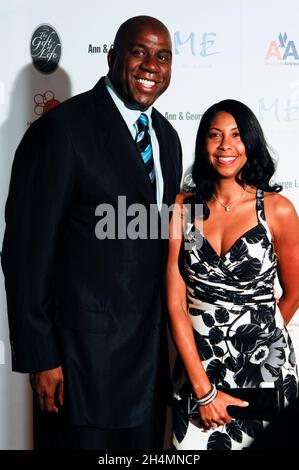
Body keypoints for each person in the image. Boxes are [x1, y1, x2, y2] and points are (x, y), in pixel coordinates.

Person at [1, 15, 182, 450]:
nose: (150, 66)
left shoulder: (167, 137)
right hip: (80, 368)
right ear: (113, 57)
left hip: (149, 368)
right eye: (139, 52)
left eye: (163, 57)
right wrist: (41, 357)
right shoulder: (63, 130)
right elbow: (26, 250)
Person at [166, 99, 299, 450]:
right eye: (214, 136)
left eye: (236, 135)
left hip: (265, 372)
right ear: (203, 144)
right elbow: (176, 303)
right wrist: (203, 389)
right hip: (198, 374)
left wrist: (259, 339)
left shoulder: (278, 209)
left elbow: (294, 293)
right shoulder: (182, 208)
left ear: (250, 143)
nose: (225, 145)